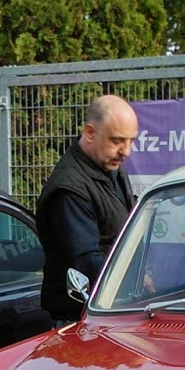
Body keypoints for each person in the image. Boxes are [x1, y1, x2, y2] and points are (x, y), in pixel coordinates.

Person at [36, 93, 139, 326]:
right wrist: (137, 280)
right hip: (83, 321)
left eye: (131, 141)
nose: (126, 151)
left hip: (113, 310)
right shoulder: (69, 190)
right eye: (117, 141)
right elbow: (88, 264)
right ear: (90, 133)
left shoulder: (109, 167)